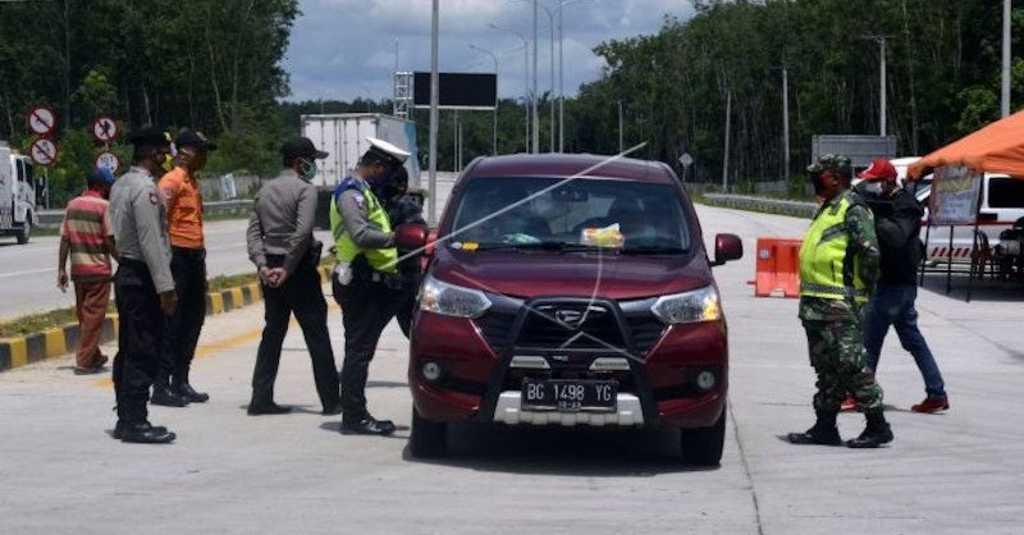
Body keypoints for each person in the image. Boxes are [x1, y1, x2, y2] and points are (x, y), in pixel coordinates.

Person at [787, 154, 894, 449]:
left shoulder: (853, 208)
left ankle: (877, 425)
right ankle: (824, 427)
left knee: (851, 364)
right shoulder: (827, 208)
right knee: (827, 368)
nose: (814, 180)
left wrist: (864, 292)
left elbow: (870, 253)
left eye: (819, 175)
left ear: (835, 176)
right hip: (816, 303)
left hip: (840, 303)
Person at [330, 137, 422, 435]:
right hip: (361, 282)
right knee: (359, 350)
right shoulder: (351, 193)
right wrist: (398, 238)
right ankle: (354, 417)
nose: (390, 178)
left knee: (364, 348)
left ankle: (355, 414)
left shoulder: (366, 192)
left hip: (382, 280)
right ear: (377, 166)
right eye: (388, 170)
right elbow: (360, 234)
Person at [246, 137, 340, 416]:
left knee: (272, 333)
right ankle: (331, 400)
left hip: (271, 270)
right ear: (300, 163)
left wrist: (263, 266)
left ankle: (260, 398)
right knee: (317, 335)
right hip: (296, 269)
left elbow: (253, 232)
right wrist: (287, 267)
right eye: (312, 161)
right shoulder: (304, 190)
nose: (314, 166)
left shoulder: (264, 190)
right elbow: (302, 233)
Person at [854, 159, 949, 413]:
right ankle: (936, 392)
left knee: (869, 341)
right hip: (894, 284)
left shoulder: (906, 206)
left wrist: (873, 216)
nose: (869, 186)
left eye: (873, 181)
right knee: (914, 341)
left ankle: (861, 394)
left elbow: (896, 237)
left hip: (895, 285)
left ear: (887, 182)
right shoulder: (889, 202)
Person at [108, 127, 178, 444]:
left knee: (129, 347)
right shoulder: (146, 189)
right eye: (163, 152)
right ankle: (135, 420)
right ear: (153, 154)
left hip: (126, 271)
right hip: (143, 275)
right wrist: (166, 288)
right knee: (144, 348)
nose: (166, 158)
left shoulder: (121, 183)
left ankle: (125, 415)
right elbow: (152, 242)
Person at [154, 129, 216, 407]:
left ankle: (181, 380)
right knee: (172, 322)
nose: (205, 157)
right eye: (201, 151)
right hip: (176, 256)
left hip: (193, 256)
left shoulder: (192, 181)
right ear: (187, 152)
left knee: (193, 319)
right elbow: (157, 220)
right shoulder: (172, 180)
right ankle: (162, 385)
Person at [57, 167, 119, 375]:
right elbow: (109, 240)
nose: (111, 189)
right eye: (109, 185)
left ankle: (94, 356)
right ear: (101, 186)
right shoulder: (104, 206)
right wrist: (123, 261)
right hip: (99, 270)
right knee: (94, 317)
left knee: (85, 315)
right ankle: (84, 361)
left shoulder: (72, 205)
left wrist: (61, 269)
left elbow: (65, 239)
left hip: (78, 271)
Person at [379, 165, 426, 337]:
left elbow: (417, 239)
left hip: (403, 279)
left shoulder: (407, 207)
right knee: (365, 335)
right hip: (385, 277)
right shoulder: (380, 204)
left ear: (400, 185)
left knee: (412, 330)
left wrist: (393, 240)